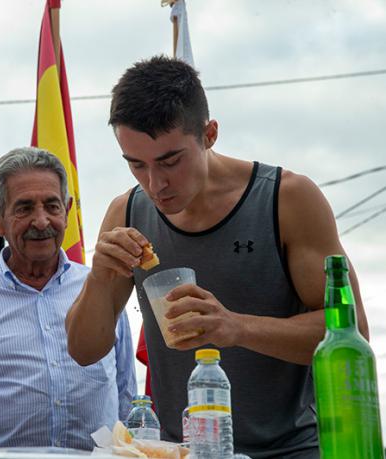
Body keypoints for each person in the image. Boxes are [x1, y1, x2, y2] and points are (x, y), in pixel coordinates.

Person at [66, 56, 369, 458]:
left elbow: (351, 332)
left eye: (170, 161)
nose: (156, 184)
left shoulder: (287, 199)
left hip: (290, 450)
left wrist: (236, 327)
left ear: (209, 134)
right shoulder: (126, 213)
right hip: (183, 451)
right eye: (137, 164)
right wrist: (98, 277)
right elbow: (83, 351)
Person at [0, 147, 136, 450]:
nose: (41, 222)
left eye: (52, 207)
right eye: (24, 208)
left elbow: (126, 396)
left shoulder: (101, 289)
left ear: (67, 211)